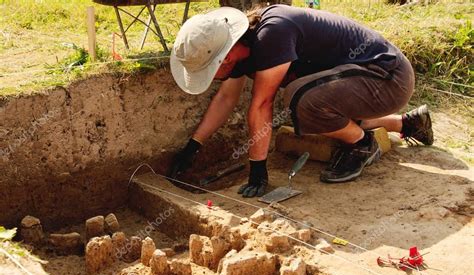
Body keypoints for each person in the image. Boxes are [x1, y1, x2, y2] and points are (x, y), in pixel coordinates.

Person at [168, 5, 433, 198]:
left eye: (207, 70)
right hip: (361, 83)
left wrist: (258, 169)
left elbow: (262, 104)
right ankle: (407, 124)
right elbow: (226, 98)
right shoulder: (242, 49)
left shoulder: (272, 34)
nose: (210, 77)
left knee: (300, 100)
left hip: (387, 77)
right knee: (315, 103)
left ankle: (362, 144)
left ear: (224, 58)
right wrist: (194, 145)